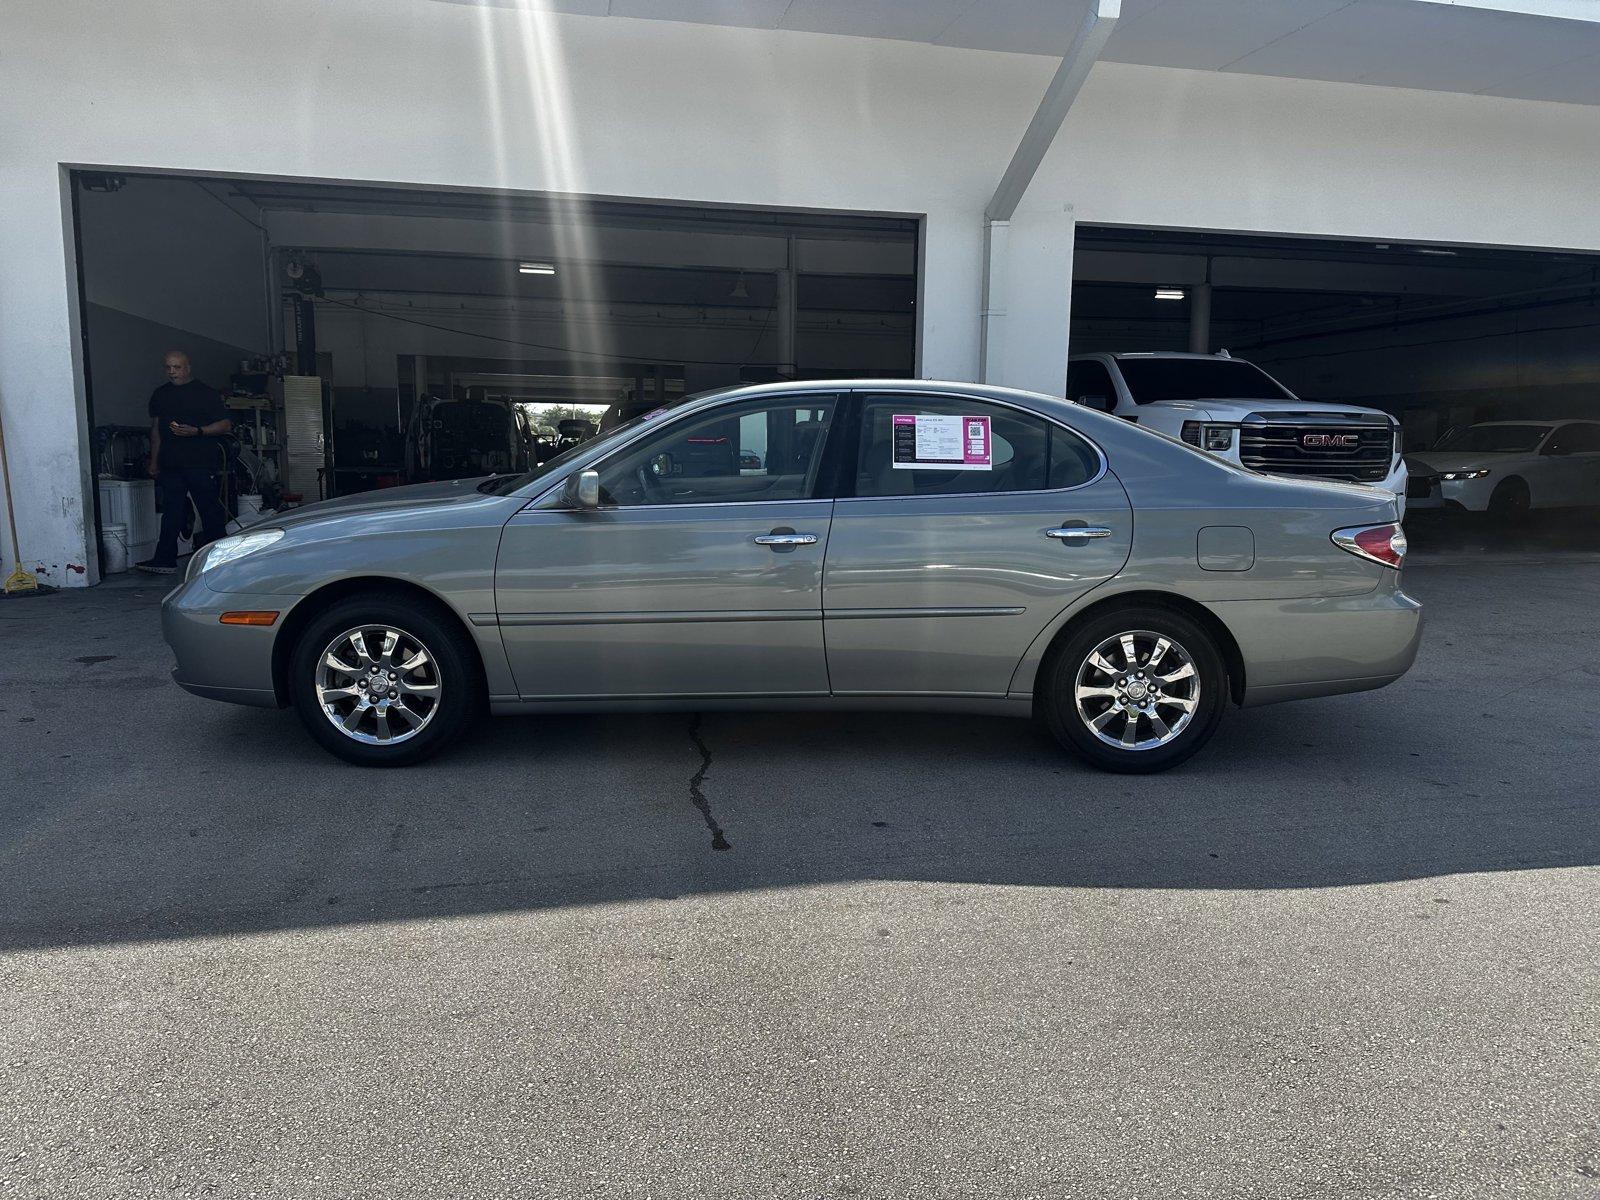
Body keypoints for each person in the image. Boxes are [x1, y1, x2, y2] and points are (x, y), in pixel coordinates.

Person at [135, 350, 232, 574]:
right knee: (172, 512)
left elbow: (225, 425)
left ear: (187, 368)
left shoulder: (206, 394)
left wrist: (197, 431)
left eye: (177, 367)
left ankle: (223, 559)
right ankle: (164, 559)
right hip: (171, 463)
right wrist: (154, 460)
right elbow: (156, 430)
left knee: (209, 511)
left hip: (200, 461)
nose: (172, 372)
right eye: (168, 367)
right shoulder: (160, 394)